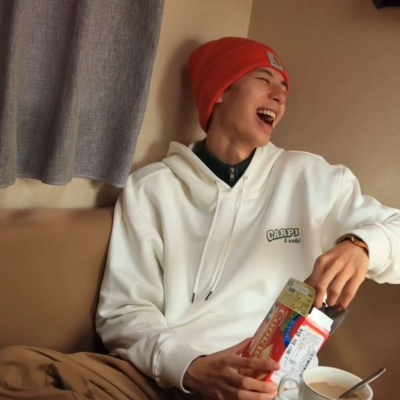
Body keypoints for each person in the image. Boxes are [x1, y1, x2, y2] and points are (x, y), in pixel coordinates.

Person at [1, 36, 400, 400]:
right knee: (17, 369)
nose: (280, 96)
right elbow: (125, 311)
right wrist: (190, 367)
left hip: (267, 387)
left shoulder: (311, 178)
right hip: (162, 377)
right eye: (265, 80)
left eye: (284, 89)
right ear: (221, 91)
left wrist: (363, 245)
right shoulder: (153, 189)